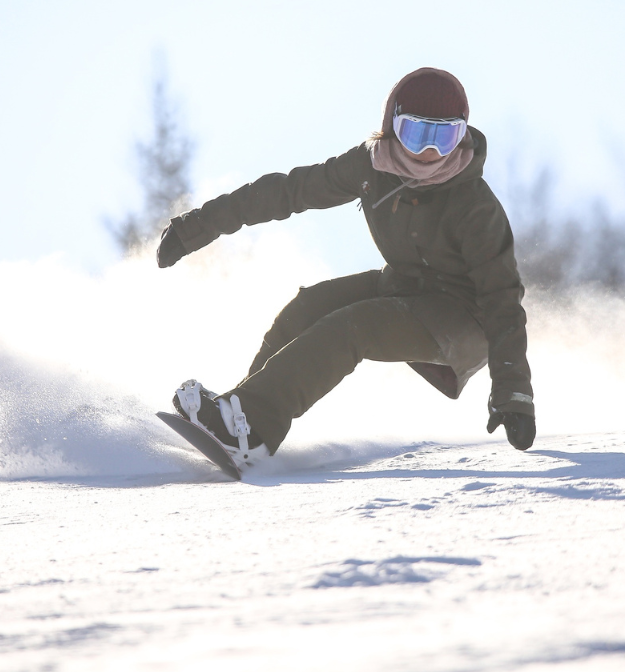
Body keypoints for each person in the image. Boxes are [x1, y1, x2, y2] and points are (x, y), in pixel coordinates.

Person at [156, 67, 535, 467]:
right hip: (406, 288)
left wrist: (514, 392)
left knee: (352, 327)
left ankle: (249, 425)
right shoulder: (371, 166)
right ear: (391, 127)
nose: (430, 153)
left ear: (462, 136)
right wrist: (196, 227)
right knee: (308, 306)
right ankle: (243, 416)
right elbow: (289, 191)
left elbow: (502, 298)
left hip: (465, 318)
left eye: (444, 138)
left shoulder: (475, 205)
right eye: (417, 133)